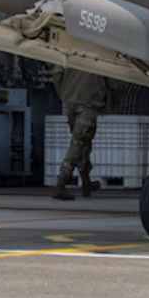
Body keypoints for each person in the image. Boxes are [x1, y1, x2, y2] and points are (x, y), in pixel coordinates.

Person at [52, 68, 110, 200]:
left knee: (83, 142)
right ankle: (61, 182)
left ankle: (86, 182)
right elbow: (114, 82)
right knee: (78, 142)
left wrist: (65, 94)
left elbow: (56, 75)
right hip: (89, 101)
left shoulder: (69, 49)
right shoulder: (98, 52)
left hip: (70, 101)